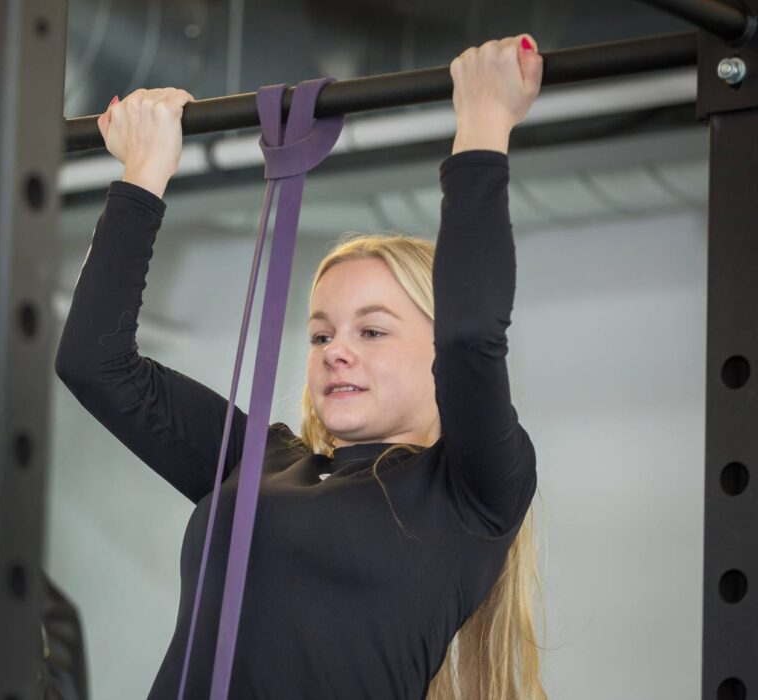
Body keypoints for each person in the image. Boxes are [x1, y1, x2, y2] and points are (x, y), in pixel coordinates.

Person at [55, 34, 547, 700]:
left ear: (437, 356)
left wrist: (484, 124)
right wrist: (145, 169)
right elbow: (94, 363)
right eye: (321, 335)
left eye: (372, 330)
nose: (336, 350)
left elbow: (470, 335)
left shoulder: (469, 493)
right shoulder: (259, 460)